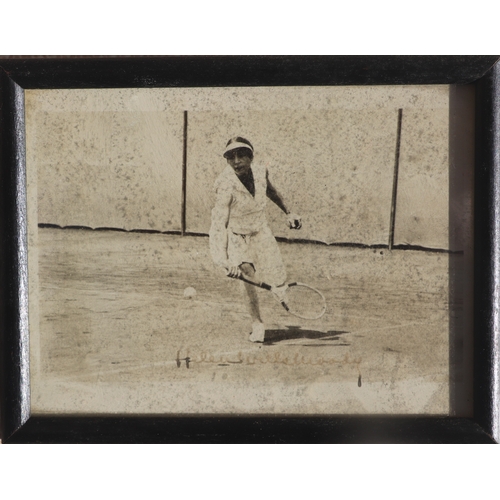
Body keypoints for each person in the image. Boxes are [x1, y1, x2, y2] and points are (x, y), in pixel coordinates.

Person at [209, 137, 302, 343]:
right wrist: (222, 259)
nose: (236, 161)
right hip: (236, 234)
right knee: (246, 274)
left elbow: (270, 191)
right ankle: (257, 323)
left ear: (251, 157)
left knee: (278, 276)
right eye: (231, 157)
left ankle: (279, 288)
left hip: (260, 230)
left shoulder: (260, 171)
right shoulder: (224, 185)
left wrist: (289, 212)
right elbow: (220, 224)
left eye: (241, 155)